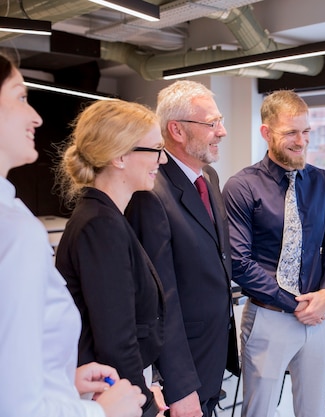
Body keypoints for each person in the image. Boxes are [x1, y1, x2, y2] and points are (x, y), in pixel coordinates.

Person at [0, 52, 146, 417]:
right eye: (20, 97)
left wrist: (63, 379)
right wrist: (104, 413)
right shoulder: (16, 230)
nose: (36, 116)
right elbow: (17, 406)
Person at [222, 90, 325, 417]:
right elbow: (238, 262)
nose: (301, 141)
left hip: (318, 315)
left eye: (306, 131)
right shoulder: (242, 186)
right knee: (259, 411)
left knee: (313, 410)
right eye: (291, 132)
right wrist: (294, 304)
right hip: (268, 317)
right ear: (266, 133)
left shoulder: (322, 181)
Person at [125, 80, 238, 417]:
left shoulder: (209, 179)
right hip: (181, 367)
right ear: (176, 129)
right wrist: (180, 386)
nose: (223, 131)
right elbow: (161, 301)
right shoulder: (151, 192)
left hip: (211, 353)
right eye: (212, 123)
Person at [54, 99, 167, 417]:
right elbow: (115, 336)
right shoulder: (100, 224)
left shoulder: (107, 217)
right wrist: (142, 403)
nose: (163, 159)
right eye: (155, 149)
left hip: (117, 384)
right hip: (108, 392)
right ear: (119, 156)